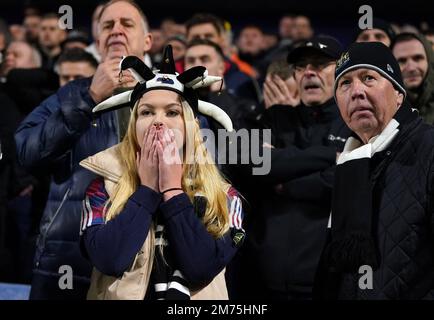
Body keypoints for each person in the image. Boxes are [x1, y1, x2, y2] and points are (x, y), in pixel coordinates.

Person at [79, 45, 245, 300]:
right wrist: (146, 191)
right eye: (146, 112)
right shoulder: (101, 187)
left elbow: (200, 268)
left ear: (190, 125)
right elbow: (110, 260)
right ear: (133, 125)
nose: (158, 121)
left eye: (172, 112)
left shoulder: (225, 196)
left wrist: (172, 191)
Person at [15, 0, 152, 299]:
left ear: (148, 40)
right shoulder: (72, 94)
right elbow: (25, 151)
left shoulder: (171, 97)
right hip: (70, 262)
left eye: (127, 24)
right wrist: (88, 99)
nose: (116, 30)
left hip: (148, 265)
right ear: (98, 41)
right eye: (107, 25)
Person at [229, 36, 350, 300]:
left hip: (324, 281)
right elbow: (249, 164)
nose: (309, 72)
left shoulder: (353, 122)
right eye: (301, 67)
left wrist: (280, 176)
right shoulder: (274, 118)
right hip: (263, 278)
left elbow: (343, 182)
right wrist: (329, 155)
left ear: (341, 71)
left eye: (319, 65)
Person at [316, 42, 434, 300]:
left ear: (399, 94)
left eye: (368, 78)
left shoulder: (428, 148)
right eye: (345, 84)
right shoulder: (350, 163)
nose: (356, 91)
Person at [391, 33, 434, 124]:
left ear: (429, 60)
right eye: (402, 61)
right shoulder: (383, 112)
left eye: (417, 58)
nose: (411, 68)